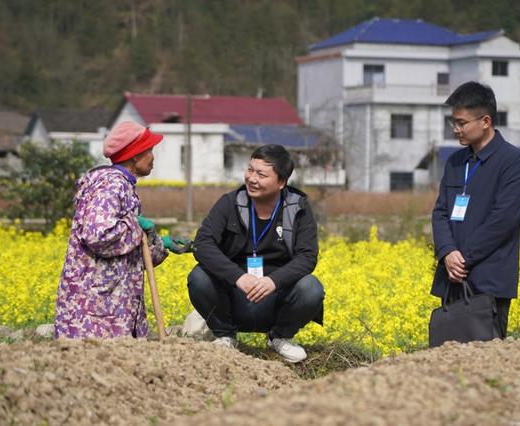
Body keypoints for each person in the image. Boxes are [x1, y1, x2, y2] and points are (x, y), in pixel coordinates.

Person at [55, 121, 191, 339]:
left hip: (111, 298)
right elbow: (98, 235)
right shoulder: (111, 185)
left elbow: (127, 248)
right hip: (96, 304)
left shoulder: (123, 184)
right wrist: (135, 225)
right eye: (150, 151)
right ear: (135, 156)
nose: (153, 157)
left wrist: (159, 243)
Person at [188, 144, 324, 363]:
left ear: (281, 182)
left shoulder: (298, 208)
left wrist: (274, 281)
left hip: (275, 298)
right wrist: (238, 277)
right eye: (250, 170)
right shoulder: (230, 203)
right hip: (234, 295)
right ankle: (225, 336)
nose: (252, 178)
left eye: (261, 174)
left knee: (311, 288)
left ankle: (280, 338)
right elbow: (203, 243)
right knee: (199, 277)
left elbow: (307, 256)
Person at [431, 81, 520, 338]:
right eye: (454, 122)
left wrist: (464, 259)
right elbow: (440, 212)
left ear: (485, 121)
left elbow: (503, 220)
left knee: (487, 365)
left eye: (462, 123)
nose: (456, 129)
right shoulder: (455, 161)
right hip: (452, 279)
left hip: (489, 280)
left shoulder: (512, 163)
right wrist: (447, 252)